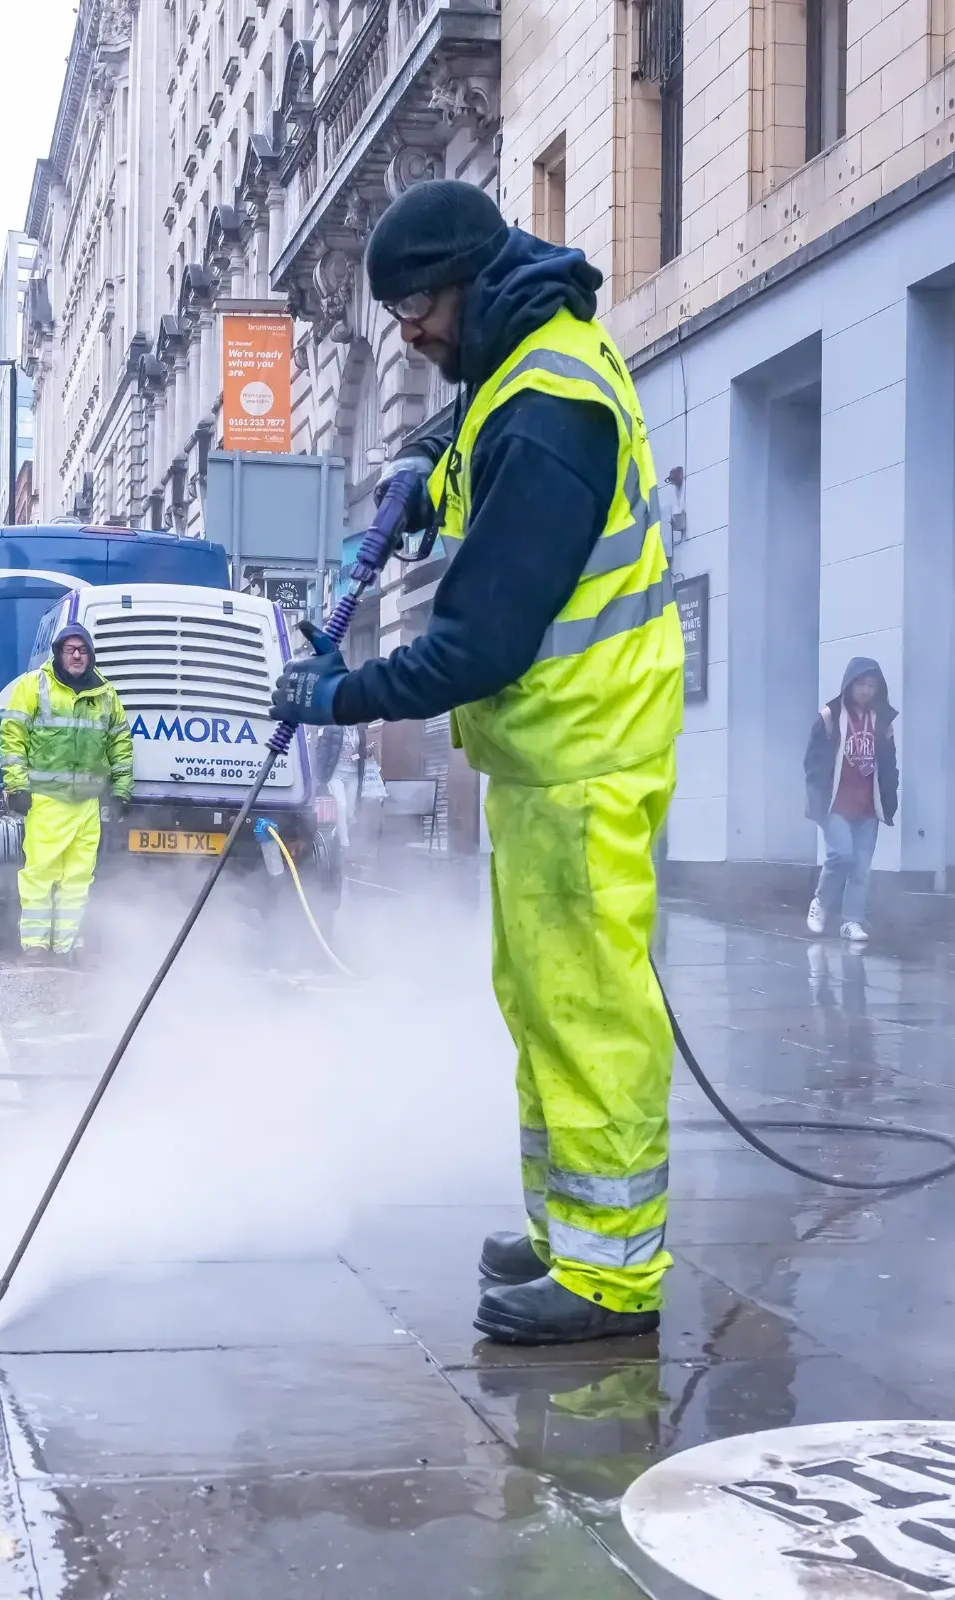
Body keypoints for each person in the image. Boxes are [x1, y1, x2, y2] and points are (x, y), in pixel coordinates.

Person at [268, 179, 684, 1345]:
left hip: (585, 755)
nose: (407, 331)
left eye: (414, 306)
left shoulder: (548, 409)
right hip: (554, 755)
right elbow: (472, 454)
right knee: (541, 1003)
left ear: (465, 280)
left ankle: (612, 1276)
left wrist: (342, 694)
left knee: (590, 1010)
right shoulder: (517, 364)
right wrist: (415, 479)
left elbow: (479, 639)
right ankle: (571, 1233)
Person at [0, 594, 133, 963]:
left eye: (82, 650)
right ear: (58, 653)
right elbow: (13, 740)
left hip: (87, 802)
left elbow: (120, 745)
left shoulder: (105, 695)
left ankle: (67, 946)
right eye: (70, 649)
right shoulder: (32, 686)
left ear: (90, 655)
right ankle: (37, 946)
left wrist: (121, 792)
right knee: (40, 875)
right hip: (46, 800)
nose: (76, 656)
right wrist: (17, 786)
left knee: (77, 881)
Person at [803, 658, 897, 942]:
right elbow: (813, 762)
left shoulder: (882, 721)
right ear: (849, 684)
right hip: (836, 805)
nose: (866, 691)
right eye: (860, 684)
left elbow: (890, 765)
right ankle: (820, 902)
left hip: (868, 806)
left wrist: (890, 802)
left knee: (862, 867)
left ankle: (851, 921)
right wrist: (816, 800)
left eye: (871, 685)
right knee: (841, 855)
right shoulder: (830, 716)